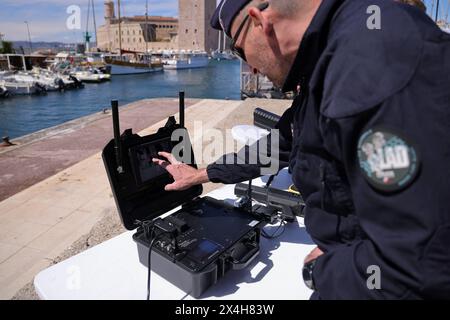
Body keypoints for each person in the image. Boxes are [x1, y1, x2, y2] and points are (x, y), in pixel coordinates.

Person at [153, 0, 450, 299]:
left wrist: (322, 271)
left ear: (259, 21)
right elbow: (284, 141)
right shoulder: (331, 54)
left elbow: (420, 263)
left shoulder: (373, 64)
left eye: (239, 50)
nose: (251, 67)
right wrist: (201, 174)